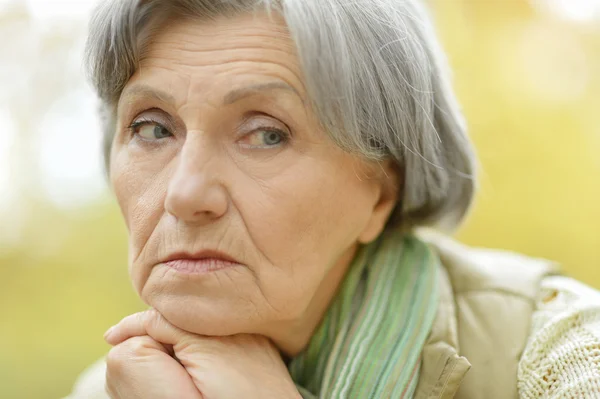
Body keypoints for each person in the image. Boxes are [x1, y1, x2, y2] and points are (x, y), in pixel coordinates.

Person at [66, 0, 600, 398]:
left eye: (267, 134)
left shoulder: (562, 354)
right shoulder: (110, 388)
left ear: (381, 194)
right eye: (153, 128)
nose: (185, 195)